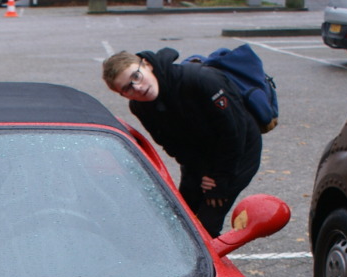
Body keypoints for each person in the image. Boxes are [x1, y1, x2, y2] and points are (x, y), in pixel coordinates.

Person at [102, 48, 262, 236]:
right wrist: (202, 173)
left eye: (136, 76)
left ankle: (210, 261)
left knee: (206, 225)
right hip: (200, 156)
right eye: (127, 88)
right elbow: (172, 145)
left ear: (147, 65)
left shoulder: (200, 79)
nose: (136, 87)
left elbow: (233, 131)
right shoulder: (140, 107)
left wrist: (219, 179)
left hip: (238, 153)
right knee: (178, 218)